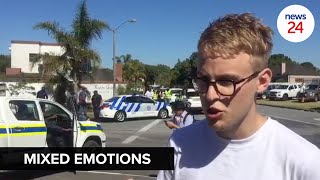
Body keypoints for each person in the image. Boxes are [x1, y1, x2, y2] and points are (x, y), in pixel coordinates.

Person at [157, 13, 320, 180]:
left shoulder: (305, 162)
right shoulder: (179, 144)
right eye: (203, 80)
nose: (210, 94)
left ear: (262, 81)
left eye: (226, 81)